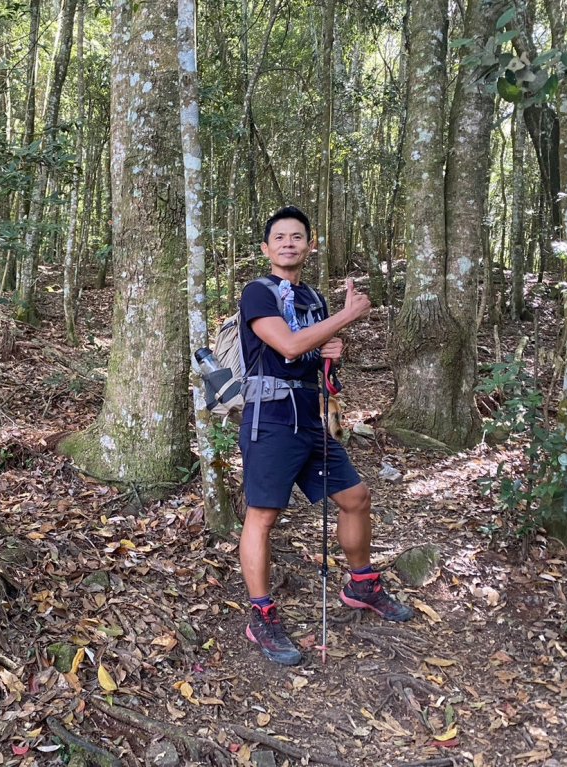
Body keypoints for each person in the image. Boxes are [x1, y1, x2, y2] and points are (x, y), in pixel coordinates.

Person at [239, 205, 413, 667]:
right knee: (263, 516)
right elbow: (290, 344)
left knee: (355, 497)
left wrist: (335, 349)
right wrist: (346, 317)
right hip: (270, 419)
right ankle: (261, 615)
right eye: (280, 237)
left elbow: (312, 357)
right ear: (266, 248)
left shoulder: (312, 298)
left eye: (298, 236)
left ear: (310, 245)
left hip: (309, 419)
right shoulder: (257, 293)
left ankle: (361, 584)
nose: (289, 243)